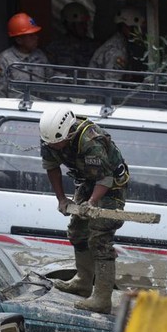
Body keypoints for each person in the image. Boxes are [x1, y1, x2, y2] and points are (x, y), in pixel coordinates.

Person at [39, 106, 129, 314]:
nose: (56, 147)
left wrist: (92, 202)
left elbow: (105, 178)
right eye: (51, 143)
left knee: (99, 238)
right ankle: (82, 282)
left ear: (69, 133)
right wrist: (61, 199)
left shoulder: (91, 141)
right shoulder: (49, 137)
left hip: (110, 185)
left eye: (58, 143)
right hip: (88, 181)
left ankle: (102, 298)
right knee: (77, 232)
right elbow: (51, 167)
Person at [0, 13, 51, 98]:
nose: (36, 38)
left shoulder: (40, 55)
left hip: (41, 107)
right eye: (31, 35)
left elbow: (51, 80)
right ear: (19, 40)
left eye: (35, 34)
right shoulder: (4, 59)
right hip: (16, 109)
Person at [88, 6, 145, 85]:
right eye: (134, 28)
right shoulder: (117, 50)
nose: (138, 33)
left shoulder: (120, 43)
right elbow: (112, 86)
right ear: (125, 27)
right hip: (98, 94)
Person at [44, 2, 97, 76]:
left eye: (86, 23)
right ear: (69, 25)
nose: (85, 27)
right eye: (80, 24)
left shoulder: (94, 48)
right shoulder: (54, 49)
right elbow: (47, 74)